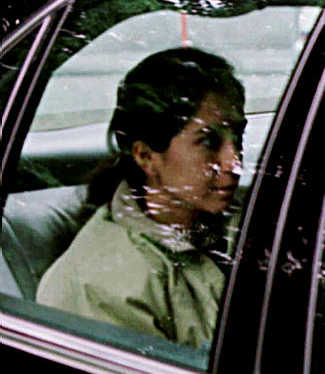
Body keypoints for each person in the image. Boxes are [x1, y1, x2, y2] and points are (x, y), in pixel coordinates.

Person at [37, 48, 246, 348]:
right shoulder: (99, 285)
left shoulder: (248, 219)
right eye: (208, 142)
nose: (234, 162)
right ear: (146, 156)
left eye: (238, 137)